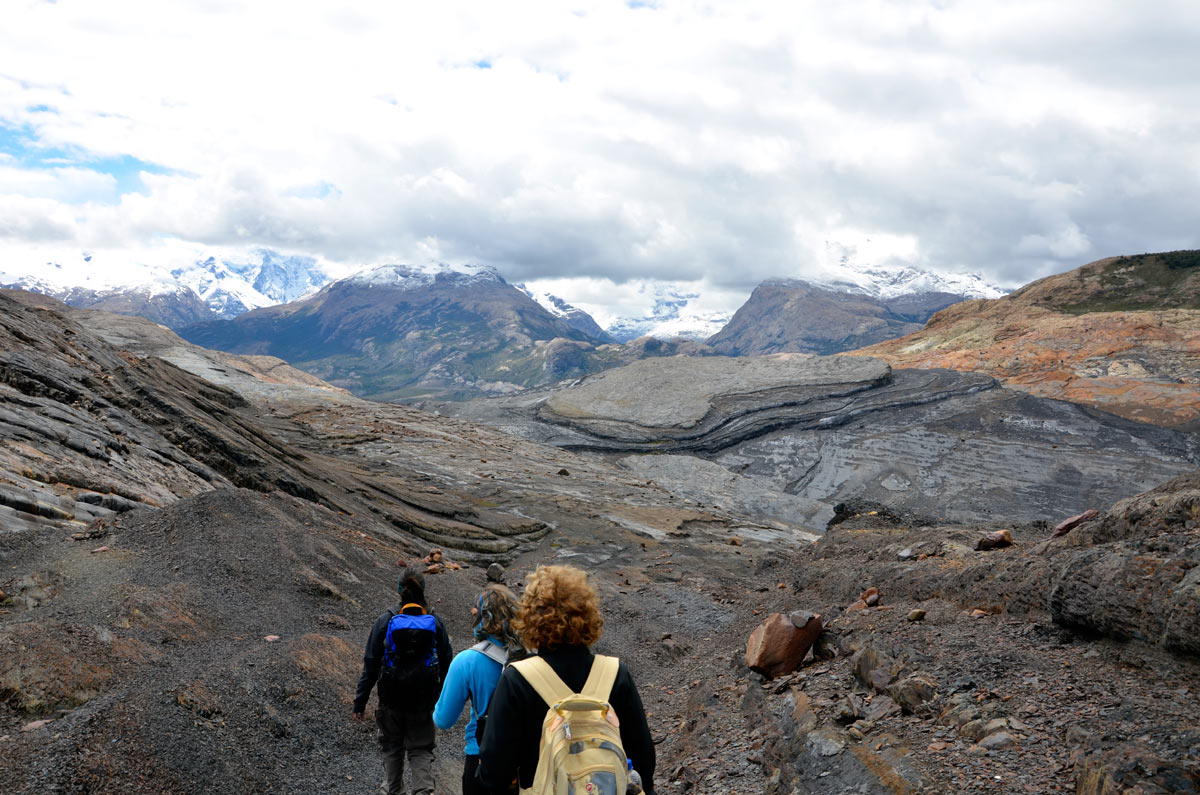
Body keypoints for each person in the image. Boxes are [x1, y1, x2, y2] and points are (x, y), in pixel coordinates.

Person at [477, 565, 656, 794]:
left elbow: (494, 775)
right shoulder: (615, 673)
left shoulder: (517, 680)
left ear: (531, 618)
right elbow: (644, 762)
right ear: (588, 615)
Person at [353, 566, 453, 795]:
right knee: (421, 750)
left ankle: (393, 790)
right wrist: (440, 696)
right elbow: (447, 661)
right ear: (423, 589)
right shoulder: (434, 621)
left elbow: (370, 663)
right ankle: (423, 791)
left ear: (399, 590)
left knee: (391, 748)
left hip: (391, 700)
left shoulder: (386, 620)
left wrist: (360, 701)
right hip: (423, 700)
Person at [433, 583, 526, 794]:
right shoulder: (534, 657)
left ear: (483, 619)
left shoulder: (467, 661)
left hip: (482, 761)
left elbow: (443, 720)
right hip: (529, 763)